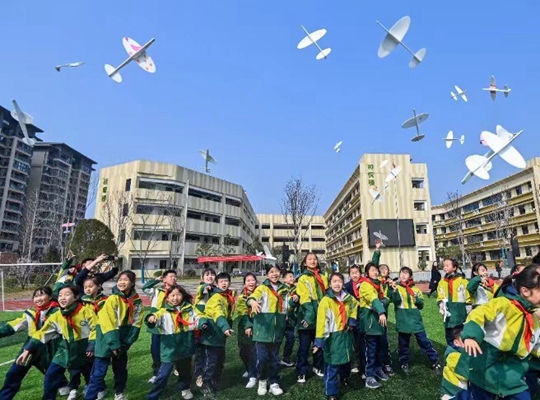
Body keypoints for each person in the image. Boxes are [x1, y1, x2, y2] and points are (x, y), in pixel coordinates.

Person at [462, 265, 540, 399]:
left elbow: (535, 344)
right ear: (525, 291)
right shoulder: (504, 304)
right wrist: (471, 336)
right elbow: (479, 313)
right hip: (485, 365)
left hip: (512, 370)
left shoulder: (532, 317)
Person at [17, 285, 96, 400]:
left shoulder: (86, 312)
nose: (62, 298)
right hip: (65, 351)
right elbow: (42, 333)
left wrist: (92, 344)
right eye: (60, 295)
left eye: (67, 294)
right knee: (50, 375)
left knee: (89, 374)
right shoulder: (56, 316)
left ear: (76, 297)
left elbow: (96, 328)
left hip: (83, 349)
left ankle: (91, 389)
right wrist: (28, 349)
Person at [0, 286, 69, 399]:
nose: (38, 298)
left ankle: (63, 384)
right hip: (30, 349)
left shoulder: (59, 312)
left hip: (51, 347)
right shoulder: (31, 313)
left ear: (50, 296)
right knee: (14, 373)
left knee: (51, 375)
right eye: (36, 296)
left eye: (42, 295)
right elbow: (15, 325)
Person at [84, 271, 143, 400]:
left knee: (121, 370)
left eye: (125, 280)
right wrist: (114, 344)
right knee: (99, 372)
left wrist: (127, 343)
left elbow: (137, 323)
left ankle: (119, 392)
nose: (122, 282)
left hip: (122, 340)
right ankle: (91, 396)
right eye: (120, 279)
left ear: (132, 283)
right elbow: (108, 322)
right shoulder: (113, 298)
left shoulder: (137, 301)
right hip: (106, 338)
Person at [145, 285, 206, 400]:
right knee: (163, 374)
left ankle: (185, 388)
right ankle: (153, 395)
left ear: (183, 296)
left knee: (185, 371)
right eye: (172, 295)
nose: (175, 298)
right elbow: (155, 317)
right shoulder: (163, 312)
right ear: (167, 298)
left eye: (178, 295)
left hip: (185, 347)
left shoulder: (190, 309)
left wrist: (203, 323)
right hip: (169, 349)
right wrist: (151, 318)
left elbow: (199, 317)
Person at [389, 267, 441, 374]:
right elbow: (396, 301)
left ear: (410, 276)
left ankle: (435, 361)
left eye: (406, 273)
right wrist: (394, 291)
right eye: (401, 273)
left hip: (415, 320)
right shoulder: (396, 287)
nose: (403, 275)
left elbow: (421, 305)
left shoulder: (416, 289)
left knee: (424, 341)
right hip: (403, 320)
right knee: (403, 344)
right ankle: (404, 363)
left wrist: (416, 299)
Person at [314, 272, 357, 400]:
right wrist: (319, 341)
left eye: (339, 281)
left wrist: (352, 321)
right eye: (334, 281)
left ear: (343, 283)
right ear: (330, 284)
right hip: (333, 337)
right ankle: (331, 393)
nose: (337, 284)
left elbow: (355, 306)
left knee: (346, 361)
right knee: (332, 365)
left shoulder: (348, 298)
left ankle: (344, 379)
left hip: (346, 336)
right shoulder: (326, 301)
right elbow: (321, 322)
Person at [246, 264, 288, 396]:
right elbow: (252, 298)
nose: (274, 274)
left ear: (280, 273)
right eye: (271, 272)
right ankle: (263, 381)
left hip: (277, 332)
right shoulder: (262, 288)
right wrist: (252, 302)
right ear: (267, 274)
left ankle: (274, 382)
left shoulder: (285, 289)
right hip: (262, 331)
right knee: (262, 359)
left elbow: (287, 307)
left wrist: (295, 300)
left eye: (277, 272)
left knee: (275, 359)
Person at [199, 272, 235, 398]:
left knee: (219, 360)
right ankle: (206, 384)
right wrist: (225, 327)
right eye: (221, 282)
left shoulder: (227, 296)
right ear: (217, 284)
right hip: (212, 335)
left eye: (226, 281)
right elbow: (218, 313)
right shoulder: (216, 297)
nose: (224, 283)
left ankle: (214, 381)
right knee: (211, 362)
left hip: (219, 336)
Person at [295, 253, 328, 383]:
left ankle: (318, 366)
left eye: (315, 259)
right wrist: (309, 317)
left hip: (321, 316)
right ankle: (301, 371)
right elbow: (304, 298)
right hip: (307, 317)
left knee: (319, 344)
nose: (313, 261)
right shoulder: (303, 278)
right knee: (304, 347)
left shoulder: (324, 276)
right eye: (310, 259)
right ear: (304, 263)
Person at [142, 269, 178, 383]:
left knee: (173, 347)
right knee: (155, 349)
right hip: (157, 323)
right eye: (171, 276)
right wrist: (155, 280)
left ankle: (176, 366)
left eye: (175, 276)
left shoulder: (178, 291)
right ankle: (156, 372)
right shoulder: (156, 290)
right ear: (164, 279)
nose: (174, 278)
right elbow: (145, 288)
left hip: (171, 323)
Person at [359, 262, 390, 389]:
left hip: (377, 323)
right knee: (370, 351)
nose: (376, 272)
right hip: (370, 322)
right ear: (367, 274)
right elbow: (374, 299)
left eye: (376, 270)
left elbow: (385, 299)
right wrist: (381, 311)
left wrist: (383, 303)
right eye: (372, 270)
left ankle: (377, 369)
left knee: (378, 349)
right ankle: (369, 376)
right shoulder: (366, 285)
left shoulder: (378, 285)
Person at [80, 277, 108, 399]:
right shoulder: (81, 301)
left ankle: (100, 387)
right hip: (85, 335)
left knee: (98, 363)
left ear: (99, 286)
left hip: (102, 335)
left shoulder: (106, 300)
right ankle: (90, 384)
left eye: (90, 286)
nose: (88, 289)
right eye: (85, 287)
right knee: (87, 363)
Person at [437, 258, 470, 348]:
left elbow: (468, 296)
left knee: (460, 336)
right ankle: (452, 352)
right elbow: (440, 295)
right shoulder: (442, 282)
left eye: (447, 265)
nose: (445, 267)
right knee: (449, 336)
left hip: (460, 314)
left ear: (454, 267)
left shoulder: (462, 281)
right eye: (444, 266)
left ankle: (462, 353)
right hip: (448, 316)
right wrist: (441, 305)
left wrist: (468, 310)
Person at [194, 268, 217, 387]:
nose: (210, 276)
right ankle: (199, 375)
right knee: (200, 352)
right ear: (202, 278)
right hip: (200, 326)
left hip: (212, 325)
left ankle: (210, 375)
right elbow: (201, 290)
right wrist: (205, 288)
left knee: (210, 353)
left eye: (212, 274)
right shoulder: (202, 288)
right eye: (207, 275)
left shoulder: (216, 290)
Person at [234, 272, 258, 387]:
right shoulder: (241, 296)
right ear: (244, 283)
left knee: (253, 352)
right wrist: (248, 325)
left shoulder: (260, 293)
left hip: (257, 326)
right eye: (248, 281)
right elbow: (243, 313)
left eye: (252, 280)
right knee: (243, 352)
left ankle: (253, 375)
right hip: (244, 326)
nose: (251, 282)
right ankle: (248, 368)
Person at [344, 264, 365, 376]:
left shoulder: (365, 284)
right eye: (352, 273)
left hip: (364, 317)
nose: (354, 275)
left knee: (364, 344)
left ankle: (365, 367)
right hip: (353, 319)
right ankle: (358, 365)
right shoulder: (347, 286)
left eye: (356, 272)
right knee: (356, 344)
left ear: (360, 273)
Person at [441, 327, 470, 400]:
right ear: (456, 342)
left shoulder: (463, 353)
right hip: (452, 394)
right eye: (464, 341)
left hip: (460, 392)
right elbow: (465, 375)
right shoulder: (453, 356)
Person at [279, 270, 298, 368]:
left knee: (291, 339)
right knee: (278, 340)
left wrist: (296, 297)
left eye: (293, 276)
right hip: (280, 318)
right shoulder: (280, 289)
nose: (292, 278)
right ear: (284, 279)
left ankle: (286, 358)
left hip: (290, 319)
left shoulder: (295, 289)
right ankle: (274, 359)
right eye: (290, 277)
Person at [378, 262, 394, 376]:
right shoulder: (376, 282)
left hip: (384, 315)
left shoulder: (389, 284)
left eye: (386, 269)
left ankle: (386, 363)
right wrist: (377, 251)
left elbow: (392, 299)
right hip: (374, 315)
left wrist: (393, 288)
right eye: (381, 269)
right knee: (373, 341)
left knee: (383, 339)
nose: (383, 271)